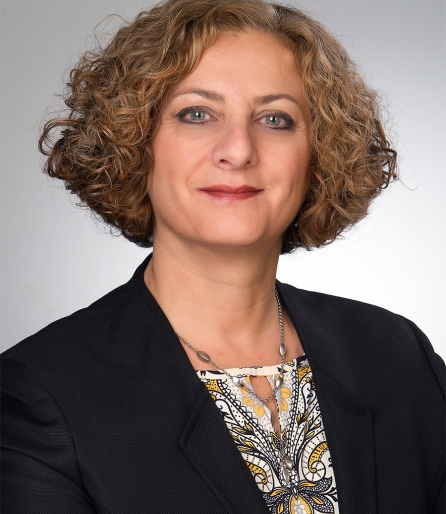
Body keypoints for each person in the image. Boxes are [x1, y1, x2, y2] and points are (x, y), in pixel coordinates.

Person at [1, 0, 444, 512]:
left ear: (319, 152)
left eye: (275, 119)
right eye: (197, 114)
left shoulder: (396, 357)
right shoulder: (43, 394)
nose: (238, 149)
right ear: (135, 142)